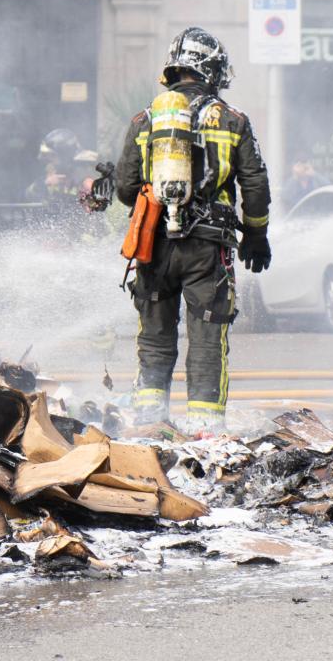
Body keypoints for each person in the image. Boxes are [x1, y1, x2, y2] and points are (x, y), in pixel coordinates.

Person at [111, 27, 272, 433]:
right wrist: (256, 234)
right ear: (212, 70)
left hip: (154, 246)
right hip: (208, 249)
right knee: (207, 338)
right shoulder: (233, 120)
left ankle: (150, 427)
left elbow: (126, 189)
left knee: (154, 337)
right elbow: (255, 184)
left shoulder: (144, 119)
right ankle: (205, 430)